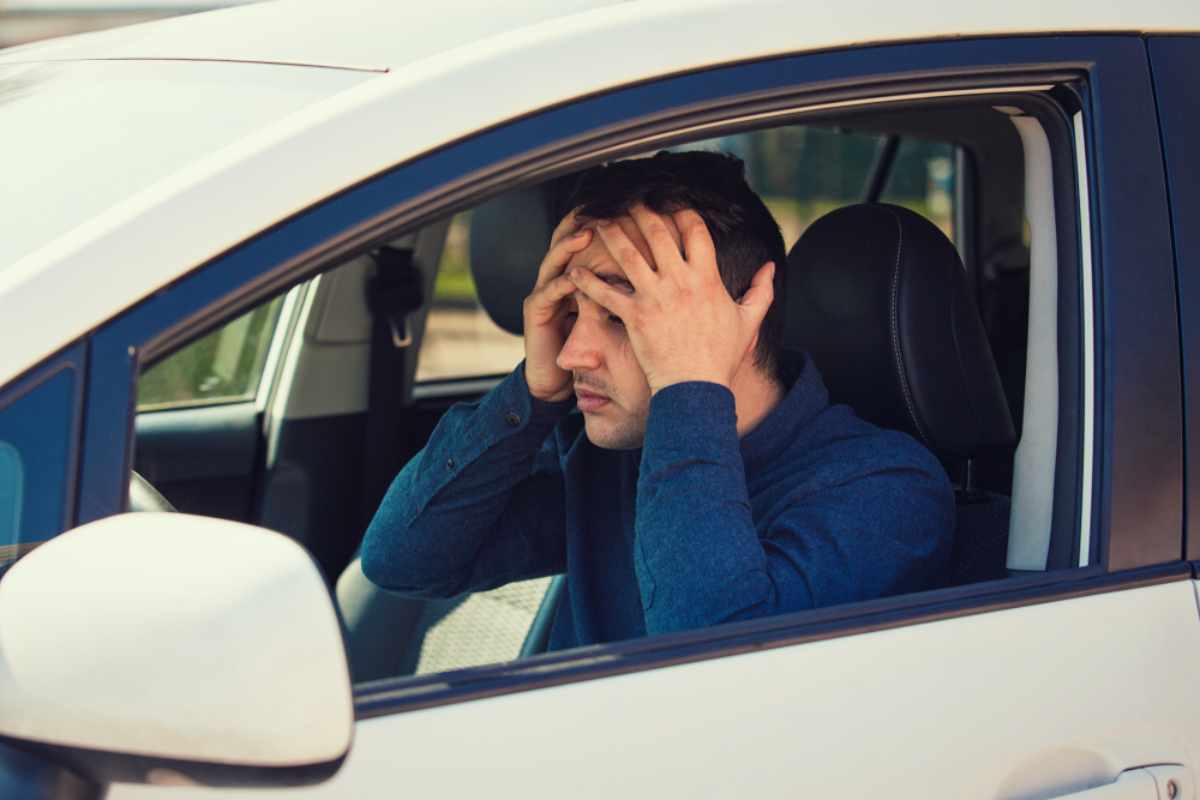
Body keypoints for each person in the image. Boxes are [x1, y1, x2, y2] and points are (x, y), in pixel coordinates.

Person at [361, 151, 954, 649]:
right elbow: (402, 561)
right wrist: (533, 396)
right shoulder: (608, 450)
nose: (573, 354)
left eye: (623, 315)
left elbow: (708, 670)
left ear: (741, 317)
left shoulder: (886, 489)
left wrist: (687, 387)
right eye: (571, 314)